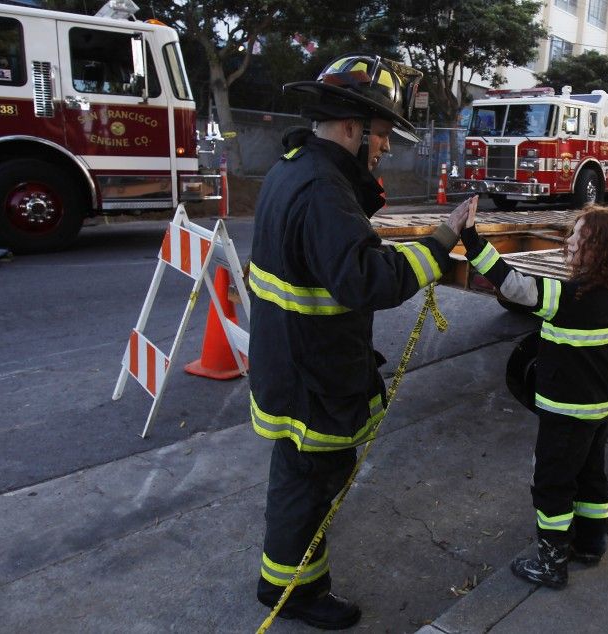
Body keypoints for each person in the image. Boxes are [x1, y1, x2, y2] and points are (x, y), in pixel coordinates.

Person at [248, 53, 477, 629]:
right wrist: (441, 240)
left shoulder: (292, 168)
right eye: (381, 135)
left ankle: (280, 581)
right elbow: (364, 280)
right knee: (312, 485)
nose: (386, 148)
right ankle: (298, 593)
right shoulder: (323, 189)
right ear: (351, 127)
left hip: (289, 364)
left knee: (296, 478)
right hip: (315, 377)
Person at [460, 204, 608, 588]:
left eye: (578, 236)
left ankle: (552, 563)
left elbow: (511, 284)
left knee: (552, 484)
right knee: (592, 478)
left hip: (564, 415)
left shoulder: (563, 296)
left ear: (597, 249)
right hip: (598, 412)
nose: (569, 241)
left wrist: (472, 240)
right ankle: (591, 544)